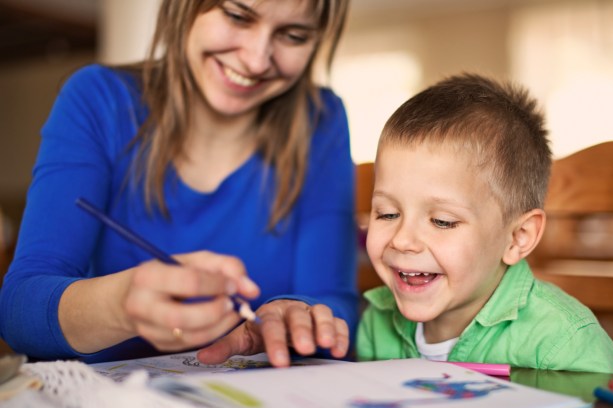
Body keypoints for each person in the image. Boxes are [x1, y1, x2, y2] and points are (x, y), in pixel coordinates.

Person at [0, 0, 357, 367]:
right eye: (237, 16)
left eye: (294, 36)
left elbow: (336, 302)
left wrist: (301, 314)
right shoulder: (97, 99)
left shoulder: (321, 120)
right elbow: (18, 309)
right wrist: (120, 305)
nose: (256, 60)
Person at [356, 73, 613, 374]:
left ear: (518, 237)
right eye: (386, 213)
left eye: (442, 221)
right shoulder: (376, 322)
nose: (402, 240)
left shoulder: (562, 343)